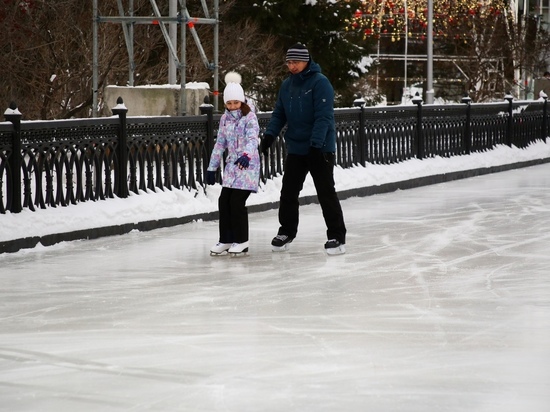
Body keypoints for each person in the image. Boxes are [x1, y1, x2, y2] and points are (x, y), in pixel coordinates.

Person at [260, 43, 347, 255]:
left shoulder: (320, 83)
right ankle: (286, 232)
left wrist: (316, 145)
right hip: (297, 148)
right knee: (288, 192)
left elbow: (323, 116)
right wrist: (269, 136)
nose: (292, 66)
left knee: (326, 192)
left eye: (295, 62)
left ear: (306, 61)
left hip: (320, 148)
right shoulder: (286, 85)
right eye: (289, 62)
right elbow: (279, 114)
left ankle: (336, 236)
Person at [206, 72, 260, 255]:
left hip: (247, 166)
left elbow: (253, 139)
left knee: (237, 202)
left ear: (242, 101)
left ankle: (241, 240)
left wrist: (246, 155)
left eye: (236, 102)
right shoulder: (225, 119)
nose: (233, 106)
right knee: (224, 201)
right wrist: (212, 167)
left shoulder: (250, 117)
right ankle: (226, 239)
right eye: (229, 103)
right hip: (231, 168)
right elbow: (220, 143)